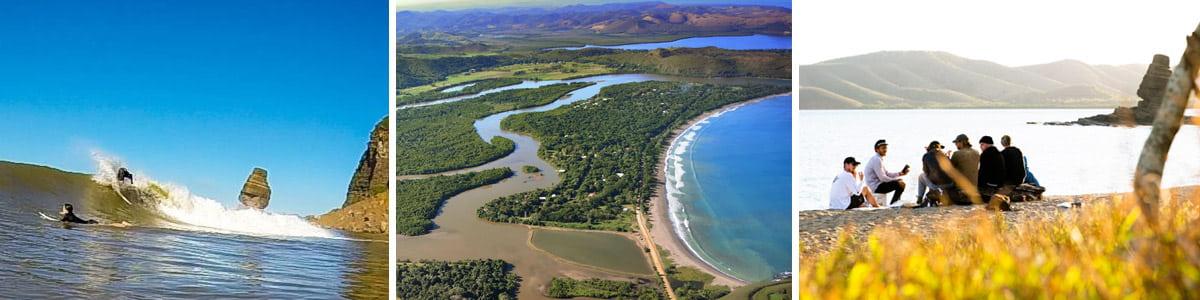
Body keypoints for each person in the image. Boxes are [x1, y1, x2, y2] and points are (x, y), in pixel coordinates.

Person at [864, 139, 908, 205]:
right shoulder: (876, 160)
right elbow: (883, 178)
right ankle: (894, 204)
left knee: (900, 182)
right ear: (876, 150)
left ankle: (895, 203)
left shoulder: (878, 159)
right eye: (883, 148)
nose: (885, 150)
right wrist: (896, 180)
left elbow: (886, 173)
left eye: (885, 148)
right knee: (901, 184)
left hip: (879, 185)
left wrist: (899, 174)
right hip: (876, 187)